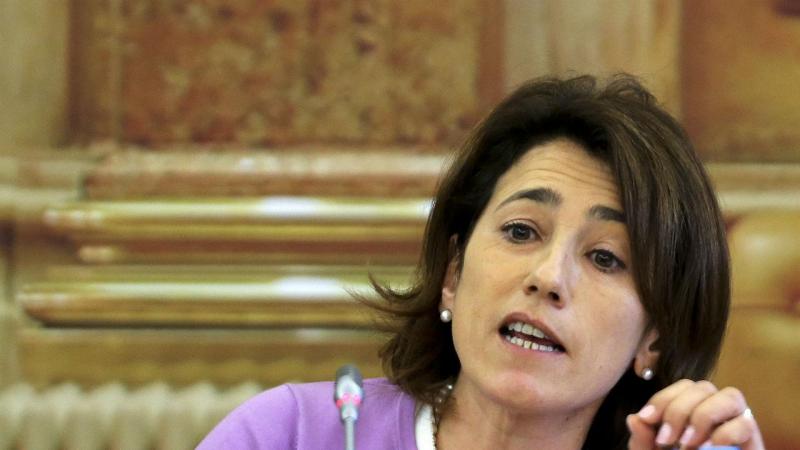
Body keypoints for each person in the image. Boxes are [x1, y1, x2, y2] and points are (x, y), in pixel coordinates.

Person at [198, 74, 764, 450]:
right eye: (521, 231)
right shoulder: (290, 434)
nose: (548, 277)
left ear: (654, 339)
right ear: (453, 274)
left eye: (605, 257)